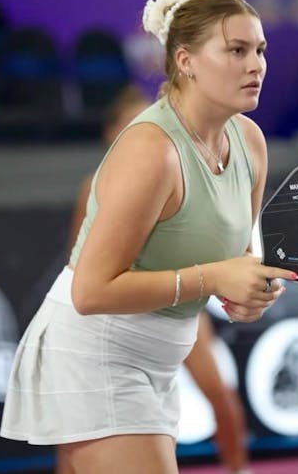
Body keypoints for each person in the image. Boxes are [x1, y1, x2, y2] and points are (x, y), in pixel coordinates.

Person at [0, 0, 298, 474]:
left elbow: (235, 262)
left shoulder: (250, 142)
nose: (256, 65)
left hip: (159, 358)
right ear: (186, 61)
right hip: (97, 352)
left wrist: (248, 294)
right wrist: (214, 278)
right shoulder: (151, 150)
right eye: (237, 50)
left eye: (260, 50)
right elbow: (90, 292)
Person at [61, 83, 252, 474]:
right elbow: (79, 266)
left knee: (217, 391)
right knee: (78, 420)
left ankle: (239, 469)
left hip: (176, 304)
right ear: (111, 133)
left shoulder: (178, 173)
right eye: (129, 124)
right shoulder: (93, 187)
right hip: (117, 314)